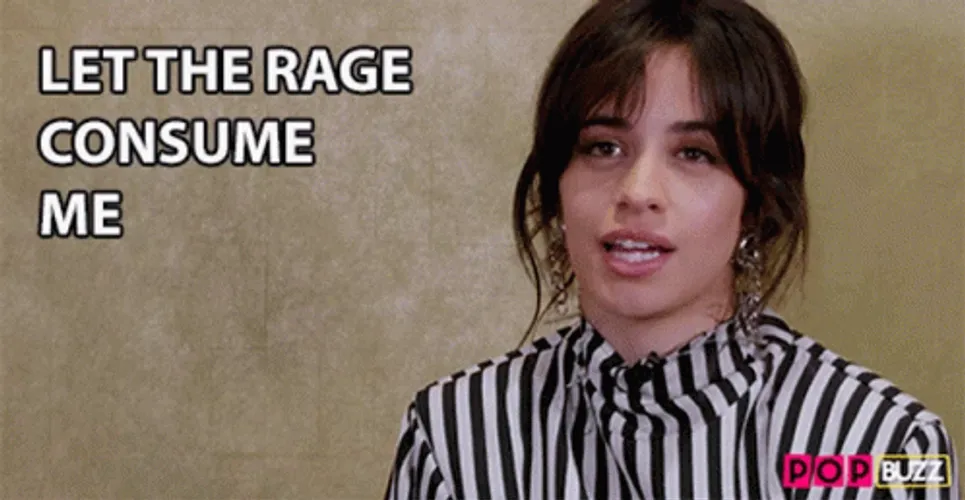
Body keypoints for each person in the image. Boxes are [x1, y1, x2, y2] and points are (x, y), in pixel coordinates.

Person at [384, 0, 960, 498]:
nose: (638, 192)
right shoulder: (453, 439)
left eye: (695, 154)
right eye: (604, 147)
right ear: (555, 188)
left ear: (757, 202)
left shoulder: (882, 446)